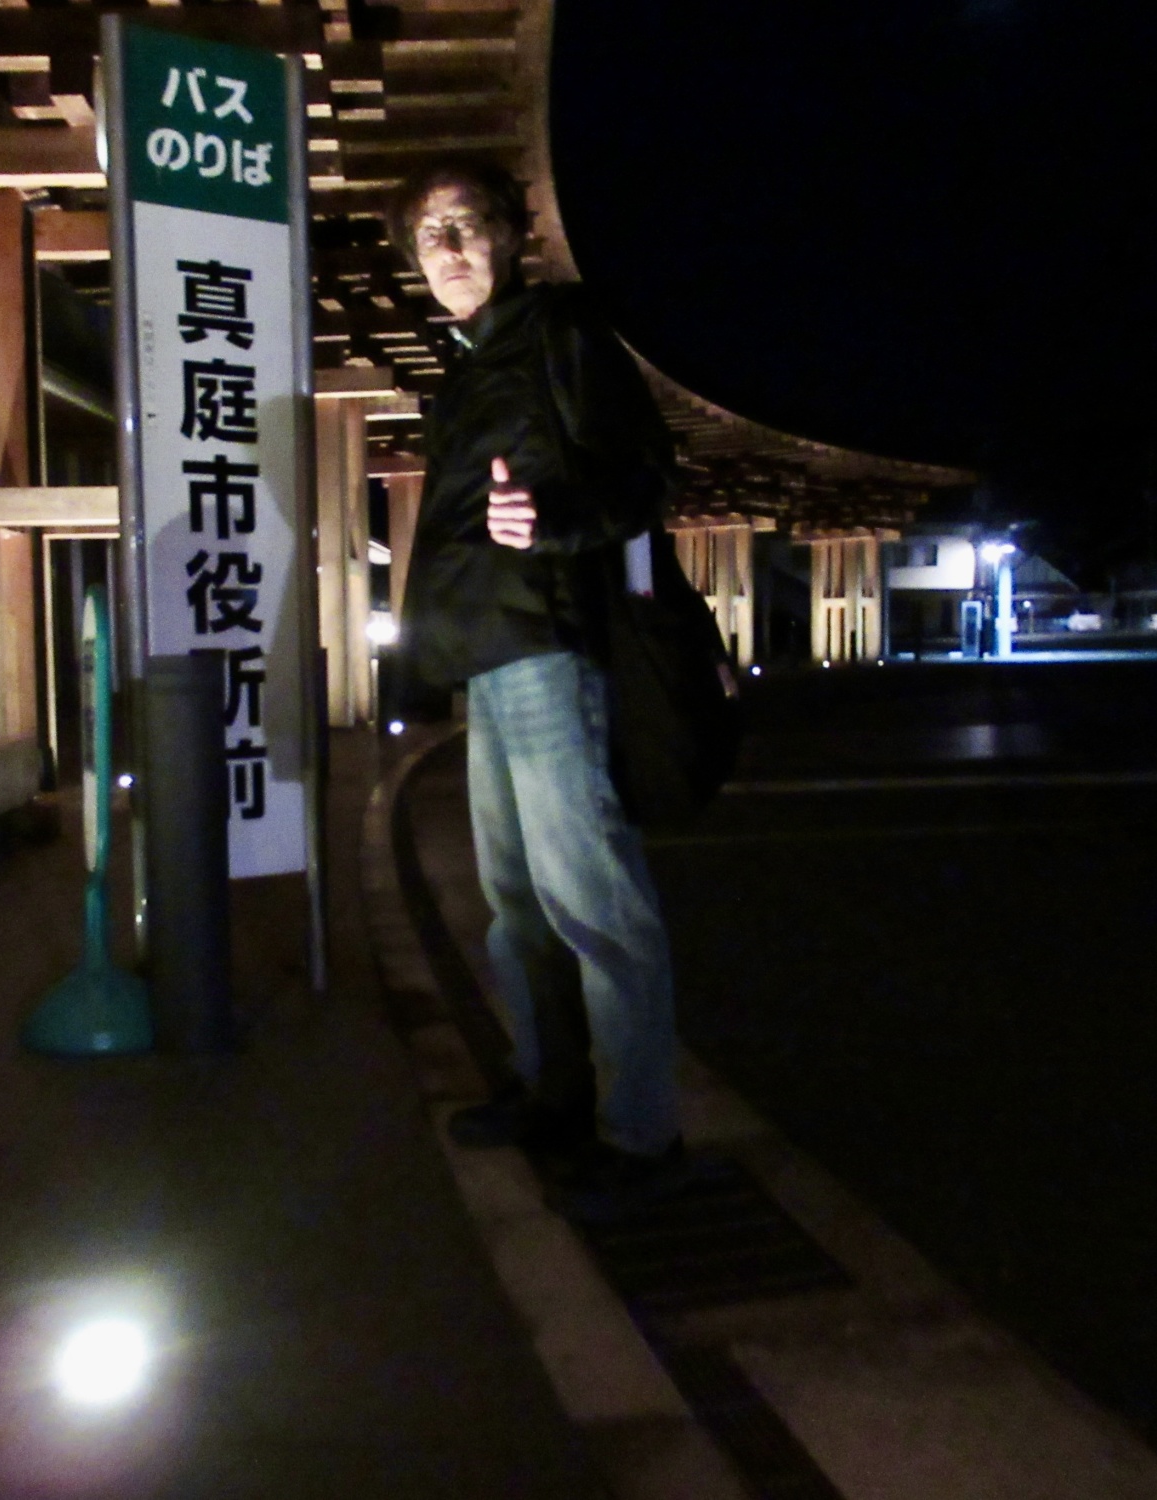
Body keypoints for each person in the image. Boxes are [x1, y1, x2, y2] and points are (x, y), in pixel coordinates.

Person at [389, 157, 689, 1223]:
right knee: (515, 907)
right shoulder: (467, 366)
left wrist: (554, 520)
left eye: (466, 225)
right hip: (487, 653)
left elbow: (645, 471)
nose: (448, 249)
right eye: (429, 236)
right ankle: (554, 1091)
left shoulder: (559, 333)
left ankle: (642, 1134)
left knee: (591, 902)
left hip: (550, 644)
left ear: (512, 237)